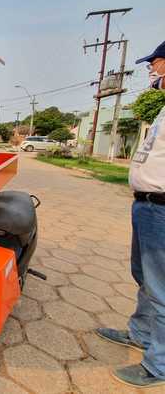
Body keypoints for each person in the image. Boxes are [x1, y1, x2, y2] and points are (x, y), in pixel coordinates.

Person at [95, 40, 165, 388]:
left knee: (161, 288)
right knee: (145, 278)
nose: (152, 69)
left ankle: (158, 365)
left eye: (157, 63)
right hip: (148, 206)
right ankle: (139, 333)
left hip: (162, 209)